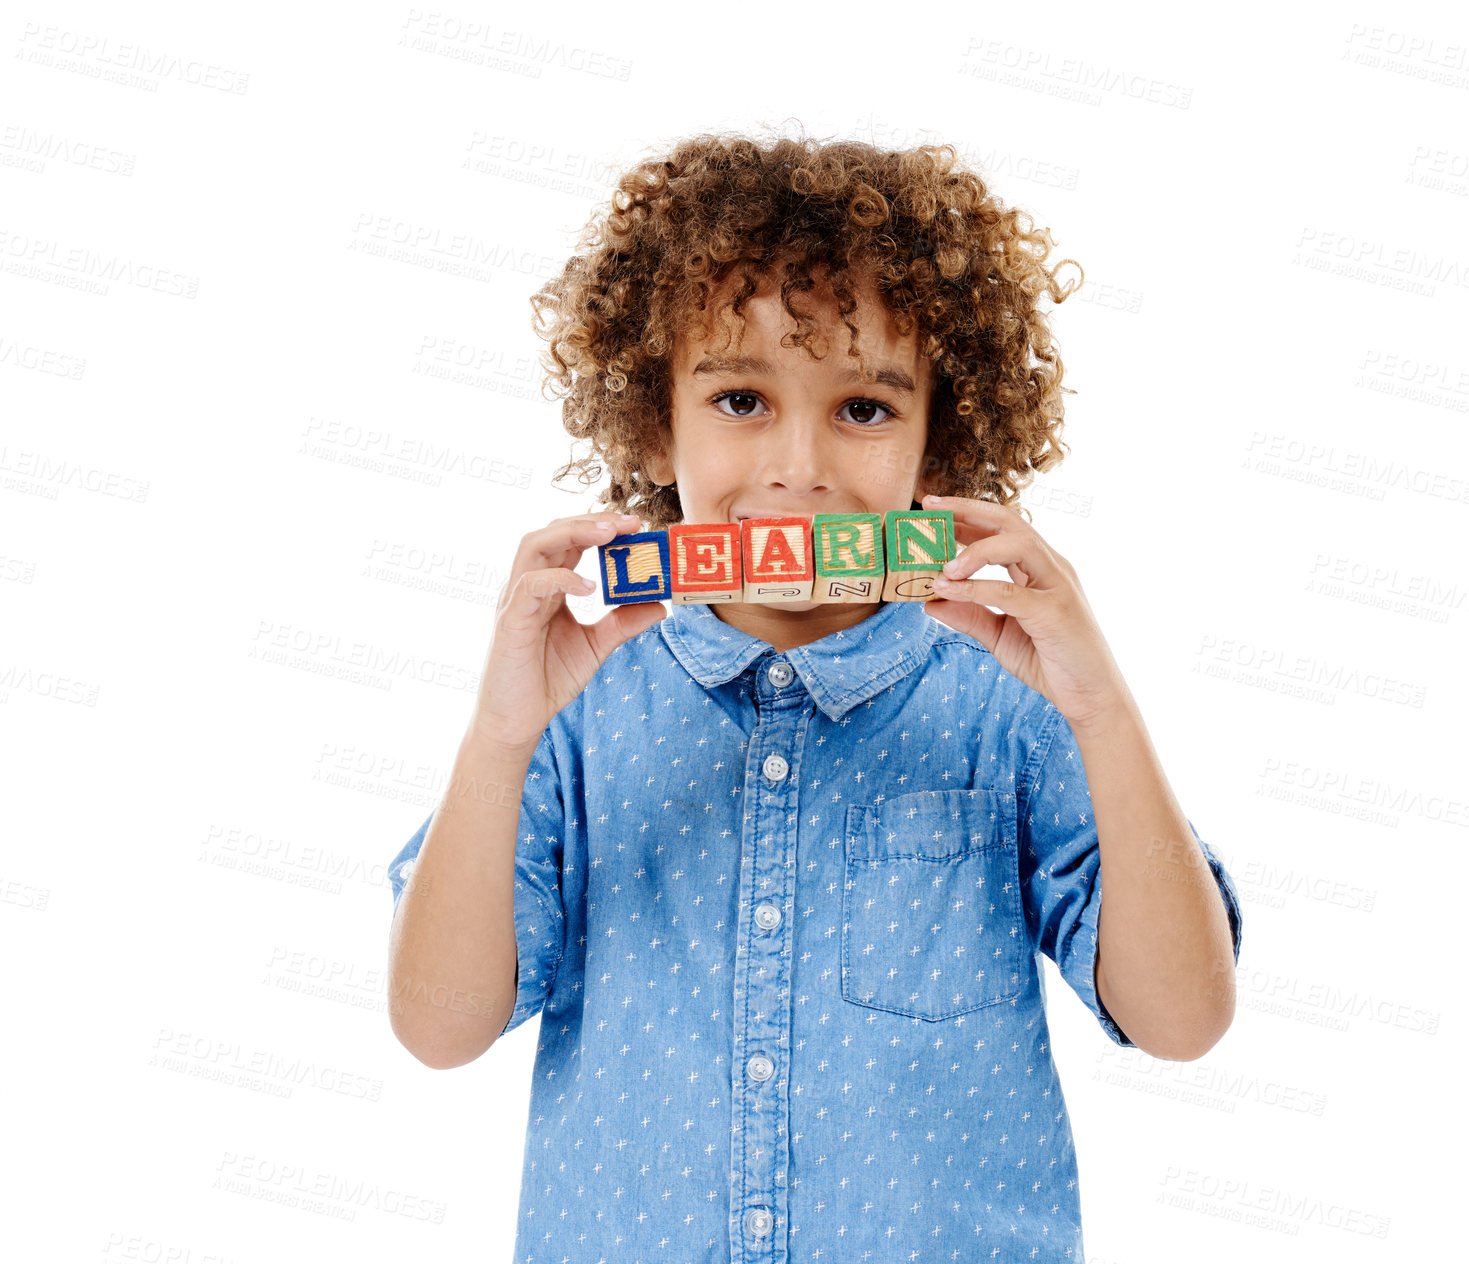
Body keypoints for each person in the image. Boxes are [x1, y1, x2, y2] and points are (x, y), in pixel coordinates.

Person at [385, 130, 1243, 1263]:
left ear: (943, 443)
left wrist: (1103, 713)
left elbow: (1181, 1021)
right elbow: (440, 1029)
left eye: (866, 410)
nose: (799, 467)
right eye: (741, 398)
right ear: (656, 422)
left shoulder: (1006, 700)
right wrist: (502, 733)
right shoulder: (573, 708)